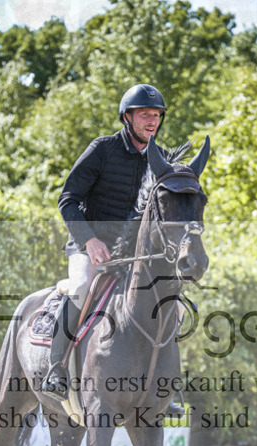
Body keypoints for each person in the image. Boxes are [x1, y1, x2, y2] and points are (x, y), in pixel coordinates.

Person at [42, 84, 167, 401]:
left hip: (132, 257)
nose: (152, 121)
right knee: (81, 286)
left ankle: (163, 383)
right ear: (127, 117)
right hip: (90, 248)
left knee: (165, 298)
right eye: (145, 114)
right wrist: (89, 240)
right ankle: (56, 368)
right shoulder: (102, 149)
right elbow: (68, 200)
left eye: (156, 115)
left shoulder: (161, 159)